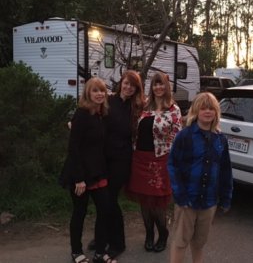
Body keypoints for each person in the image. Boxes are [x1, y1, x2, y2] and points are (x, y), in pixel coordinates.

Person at [167, 92, 233, 263]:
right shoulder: (185, 136)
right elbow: (172, 165)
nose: (207, 111)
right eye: (203, 108)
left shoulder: (220, 140)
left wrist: (226, 197)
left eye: (211, 108)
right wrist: (180, 194)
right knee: (181, 242)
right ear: (196, 110)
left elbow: (225, 170)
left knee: (199, 243)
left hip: (209, 202)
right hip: (187, 200)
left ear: (216, 112)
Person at [87, 70, 146, 258]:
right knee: (102, 200)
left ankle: (118, 242)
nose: (128, 88)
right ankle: (101, 237)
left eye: (133, 86)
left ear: (137, 89)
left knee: (110, 200)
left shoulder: (136, 108)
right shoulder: (108, 101)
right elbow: (91, 114)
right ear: (121, 83)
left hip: (121, 160)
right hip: (103, 158)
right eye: (126, 83)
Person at [59, 77, 117, 263]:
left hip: (98, 172)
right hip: (81, 174)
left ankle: (100, 252)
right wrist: (79, 179)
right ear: (87, 93)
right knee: (80, 213)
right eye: (95, 91)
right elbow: (73, 148)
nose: (100, 94)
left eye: (102, 91)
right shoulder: (82, 114)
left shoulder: (101, 113)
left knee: (104, 210)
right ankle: (76, 252)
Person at [126, 71, 182, 253]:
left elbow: (177, 136)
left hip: (160, 160)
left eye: (161, 84)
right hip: (140, 158)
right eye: (155, 84)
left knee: (157, 202)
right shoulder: (144, 106)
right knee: (144, 201)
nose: (158, 87)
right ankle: (149, 233)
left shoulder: (173, 109)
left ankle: (163, 233)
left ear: (167, 86)